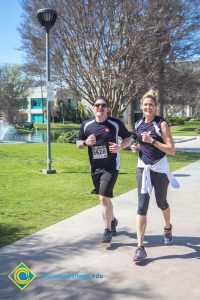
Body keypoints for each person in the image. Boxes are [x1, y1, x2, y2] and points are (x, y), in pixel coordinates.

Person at [131, 89, 180, 262]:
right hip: (143, 168)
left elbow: (172, 150)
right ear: (141, 107)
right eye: (145, 105)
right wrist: (136, 147)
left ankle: (167, 228)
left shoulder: (161, 124)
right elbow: (139, 142)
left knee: (162, 203)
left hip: (159, 169)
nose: (148, 107)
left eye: (151, 105)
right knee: (142, 205)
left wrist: (152, 141)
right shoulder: (138, 124)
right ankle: (140, 247)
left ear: (155, 107)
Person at [76, 96, 131, 243]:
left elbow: (128, 138)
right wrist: (86, 142)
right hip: (95, 167)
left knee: (103, 197)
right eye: (97, 105)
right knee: (104, 199)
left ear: (107, 108)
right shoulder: (86, 125)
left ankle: (107, 230)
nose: (100, 108)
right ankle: (112, 220)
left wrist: (121, 147)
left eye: (103, 105)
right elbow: (78, 143)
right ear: (93, 108)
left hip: (111, 166)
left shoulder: (115, 124)